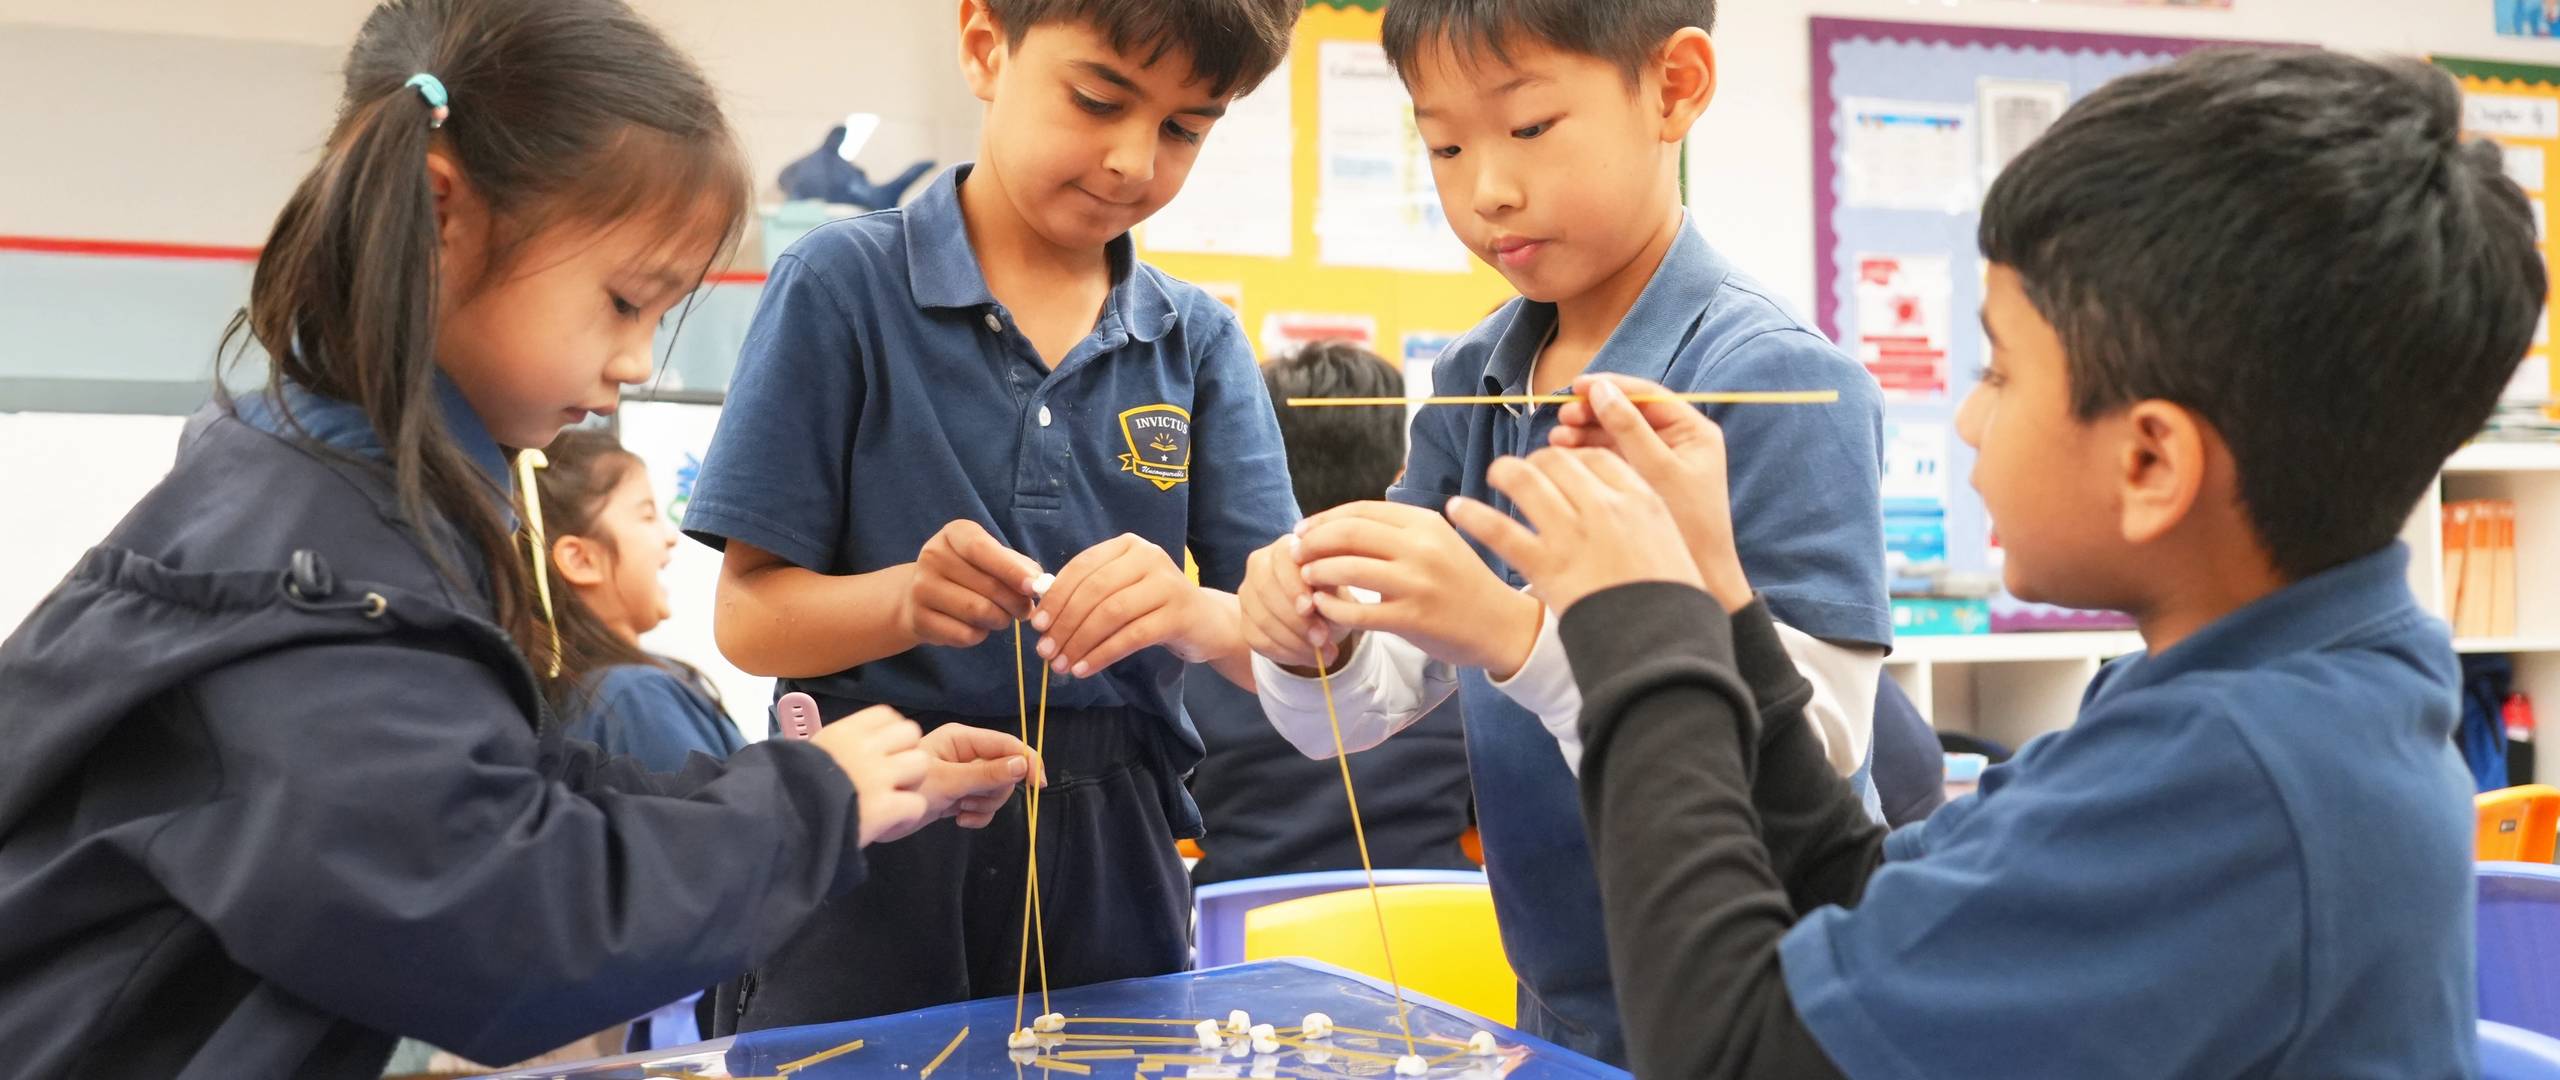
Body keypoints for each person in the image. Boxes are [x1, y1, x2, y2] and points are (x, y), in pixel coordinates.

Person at [0, 3, 1039, 1074]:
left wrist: (827, 780)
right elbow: (491, 917)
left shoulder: (330, 499)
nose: (637, 364)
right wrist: (811, 805)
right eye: (626, 302)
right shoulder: (316, 571)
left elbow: (513, 800)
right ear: (444, 218)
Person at [1482, 48, 2538, 1079]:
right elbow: (1850, 893)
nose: (1971, 419)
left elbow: (1730, 1050)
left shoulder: (2236, 773)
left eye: (1998, 368)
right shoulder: (2268, 695)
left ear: (2148, 460)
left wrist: (1639, 630)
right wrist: (1716, 597)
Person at [1236, 1, 1888, 1062]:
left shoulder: (1773, 378)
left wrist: (1512, 630)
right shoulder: (1474, 376)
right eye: (1442, 144)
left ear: (1673, 88)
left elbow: (1806, 760)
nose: (1485, 187)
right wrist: (1313, 634)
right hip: (1558, 996)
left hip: (1757, 1009)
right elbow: (1353, 715)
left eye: (1530, 127)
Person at [682, 0, 1304, 1030]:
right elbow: (749, 619)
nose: (1130, 161)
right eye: (1098, 98)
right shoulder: (841, 287)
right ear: (984, 45)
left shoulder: (1194, 341)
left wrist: (1195, 614)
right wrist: (906, 602)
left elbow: (1278, 647)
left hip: (1115, 844)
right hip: (874, 818)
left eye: (1187, 128)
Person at [1186, 342, 1474, 886]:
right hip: (1442, 939)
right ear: (1402, 476)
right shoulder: (1454, 629)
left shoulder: (1202, 643)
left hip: (1241, 940)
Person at [537, 428, 745, 774]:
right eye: (647, 516)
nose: (669, 538)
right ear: (580, 559)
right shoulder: (635, 696)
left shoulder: (572, 695)